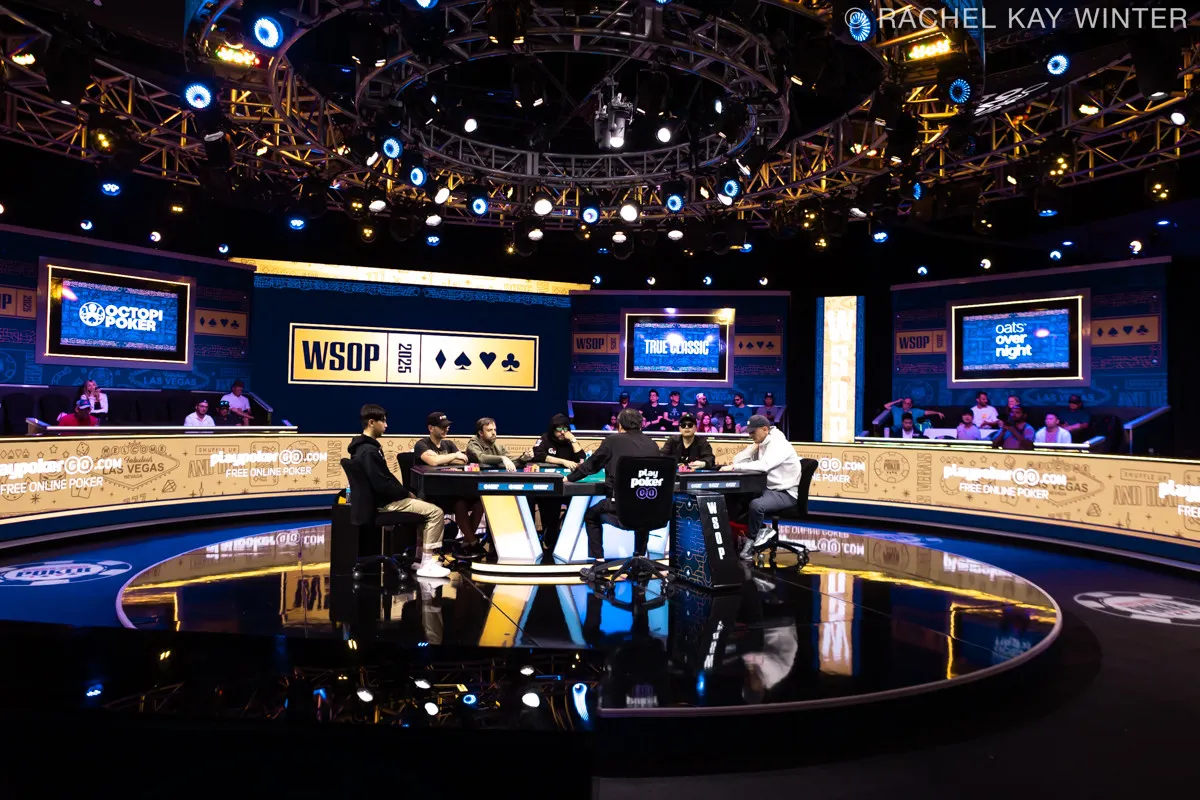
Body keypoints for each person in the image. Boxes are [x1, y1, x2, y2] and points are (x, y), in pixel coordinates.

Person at [348, 404, 449, 579]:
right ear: (371, 422)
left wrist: (405, 493)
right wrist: (405, 494)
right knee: (435, 512)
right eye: (383, 421)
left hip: (377, 502)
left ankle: (420, 559)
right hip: (384, 504)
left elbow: (384, 479)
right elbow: (382, 484)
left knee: (424, 508)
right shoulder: (368, 451)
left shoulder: (363, 448)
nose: (386, 425)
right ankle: (428, 564)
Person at [567, 408, 662, 562]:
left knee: (591, 516)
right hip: (650, 508)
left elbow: (592, 465)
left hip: (620, 508)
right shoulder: (652, 444)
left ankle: (599, 562)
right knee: (642, 512)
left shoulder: (613, 440)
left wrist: (569, 478)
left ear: (620, 425)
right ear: (640, 425)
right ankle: (640, 560)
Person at [722, 415, 803, 559]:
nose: (750, 435)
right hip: (768, 489)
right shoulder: (762, 442)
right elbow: (737, 460)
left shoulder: (779, 444)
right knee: (733, 498)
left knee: (756, 505)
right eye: (749, 432)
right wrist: (753, 448)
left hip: (785, 492)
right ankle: (761, 530)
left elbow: (764, 466)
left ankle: (751, 543)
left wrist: (734, 467)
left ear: (765, 429)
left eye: (753, 432)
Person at [415, 412, 486, 557]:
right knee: (459, 504)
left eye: (447, 426)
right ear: (431, 428)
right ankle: (473, 543)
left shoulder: (449, 444)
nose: (446, 429)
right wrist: (452, 456)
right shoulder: (421, 444)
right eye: (442, 427)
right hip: (432, 494)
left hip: (451, 490)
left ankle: (466, 542)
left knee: (479, 503)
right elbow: (433, 461)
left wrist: (440, 459)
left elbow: (463, 460)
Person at [529, 413, 586, 552]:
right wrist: (563, 461)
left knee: (579, 506)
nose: (562, 433)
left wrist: (573, 439)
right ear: (552, 429)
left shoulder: (570, 441)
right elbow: (538, 455)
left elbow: (582, 458)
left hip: (569, 486)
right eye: (559, 429)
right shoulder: (545, 438)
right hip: (549, 488)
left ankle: (569, 541)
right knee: (550, 509)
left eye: (565, 429)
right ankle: (549, 541)